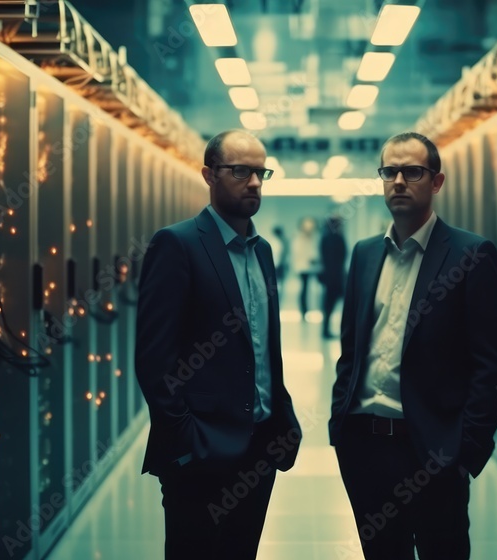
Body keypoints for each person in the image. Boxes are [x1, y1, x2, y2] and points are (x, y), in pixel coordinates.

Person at [328, 132, 497, 560]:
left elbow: (491, 365)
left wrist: (466, 452)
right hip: (365, 445)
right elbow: (351, 349)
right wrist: (341, 424)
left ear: (437, 181)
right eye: (389, 171)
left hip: (433, 450)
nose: (398, 181)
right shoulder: (365, 253)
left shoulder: (471, 254)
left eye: (412, 171)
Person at [136, 129, 302, 560]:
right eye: (240, 171)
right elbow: (154, 359)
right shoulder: (178, 244)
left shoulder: (261, 252)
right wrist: (186, 438)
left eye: (261, 173)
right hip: (202, 452)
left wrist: (282, 419)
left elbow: (264, 348)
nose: (254, 183)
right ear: (209, 175)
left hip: (261, 445)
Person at [318, 215, 347, 338]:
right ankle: (330, 330)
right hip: (336, 278)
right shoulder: (337, 238)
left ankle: (326, 330)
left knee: (328, 306)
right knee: (332, 305)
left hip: (330, 277)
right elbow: (340, 258)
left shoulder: (325, 238)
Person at [290, 216, 320, 321]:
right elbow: (298, 253)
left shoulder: (313, 237)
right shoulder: (299, 238)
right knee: (305, 290)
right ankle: (304, 311)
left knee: (310, 290)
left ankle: (308, 310)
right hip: (303, 267)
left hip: (311, 267)